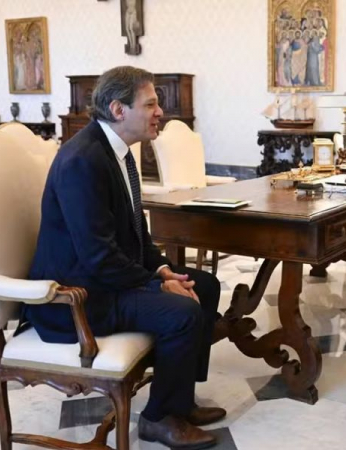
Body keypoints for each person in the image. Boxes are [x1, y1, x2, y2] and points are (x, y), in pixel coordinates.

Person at [25, 66, 223, 450]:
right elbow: (98, 258)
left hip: (103, 278)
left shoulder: (118, 153)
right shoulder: (83, 160)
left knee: (206, 285)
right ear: (118, 110)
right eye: (150, 104)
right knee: (182, 313)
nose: (160, 112)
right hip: (77, 295)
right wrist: (156, 284)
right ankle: (159, 419)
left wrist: (163, 270)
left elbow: (136, 233)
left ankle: (180, 402)